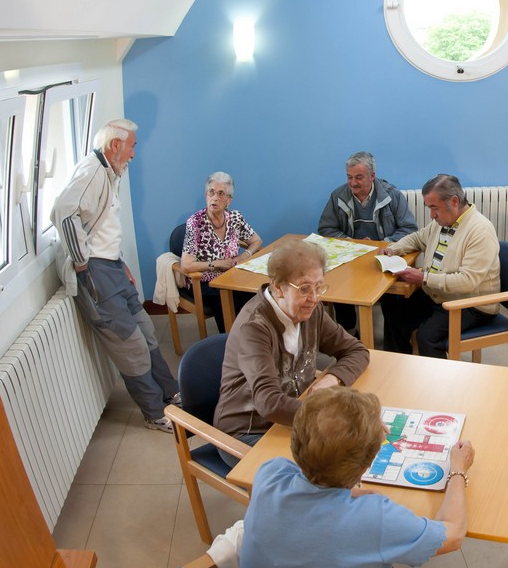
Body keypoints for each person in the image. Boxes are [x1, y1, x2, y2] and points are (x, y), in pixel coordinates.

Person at [240, 387, 474, 568]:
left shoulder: (270, 473)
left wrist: (355, 493)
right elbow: (453, 535)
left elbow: (317, 490)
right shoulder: (374, 517)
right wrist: (457, 470)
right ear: (364, 468)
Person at [51, 119, 180, 433]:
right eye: (132, 146)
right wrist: (82, 262)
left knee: (148, 333)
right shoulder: (92, 173)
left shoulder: (110, 172)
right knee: (131, 348)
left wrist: (118, 263)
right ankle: (154, 413)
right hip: (96, 275)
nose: (134, 154)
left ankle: (172, 394)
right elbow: (63, 213)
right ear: (114, 146)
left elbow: (101, 227)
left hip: (113, 268)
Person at [214, 239, 369, 463]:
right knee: (329, 468)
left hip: (293, 416)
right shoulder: (254, 328)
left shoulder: (310, 311)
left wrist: (332, 379)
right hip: (248, 432)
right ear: (277, 287)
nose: (315, 298)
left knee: (346, 458)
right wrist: (335, 417)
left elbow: (356, 350)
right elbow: (269, 402)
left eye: (319, 286)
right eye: (304, 288)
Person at [379, 174, 499, 359]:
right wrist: (393, 249)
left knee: (427, 337)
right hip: (439, 294)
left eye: (434, 208)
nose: (431, 215)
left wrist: (424, 278)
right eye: (429, 208)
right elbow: (418, 238)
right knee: (396, 316)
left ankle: (440, 386)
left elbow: (467, 281)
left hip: (472, 304)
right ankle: (398, 367)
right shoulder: (443, 221)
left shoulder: (480, 231)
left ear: (454, 201)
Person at [317, 151, 417, 332]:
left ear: (372, 176)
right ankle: (350, 335)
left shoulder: (392, 195)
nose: (353, 183)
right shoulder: (338, 196)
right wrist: (351, 242)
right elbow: (326, 229)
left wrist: (382, 243)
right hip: (350, 259)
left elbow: (409, 229)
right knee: (340, 289)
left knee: (392, 296)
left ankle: (392, 343)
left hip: (383, 257)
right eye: (349, 177)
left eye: (359, 177)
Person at [178, 171, 263, 334]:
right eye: (211, 192)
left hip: (231, 275)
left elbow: (257, 241)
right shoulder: (195, 223)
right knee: (226, 297)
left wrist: (243, 256)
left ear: (229, 200)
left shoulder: (236, 218)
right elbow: (186, 265)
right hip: (204, 281)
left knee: (254, 293)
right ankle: (230, 343)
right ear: (205, 195)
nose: (215, 197)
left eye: (221, 193)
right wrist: (216, 264)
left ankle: (253, 338)